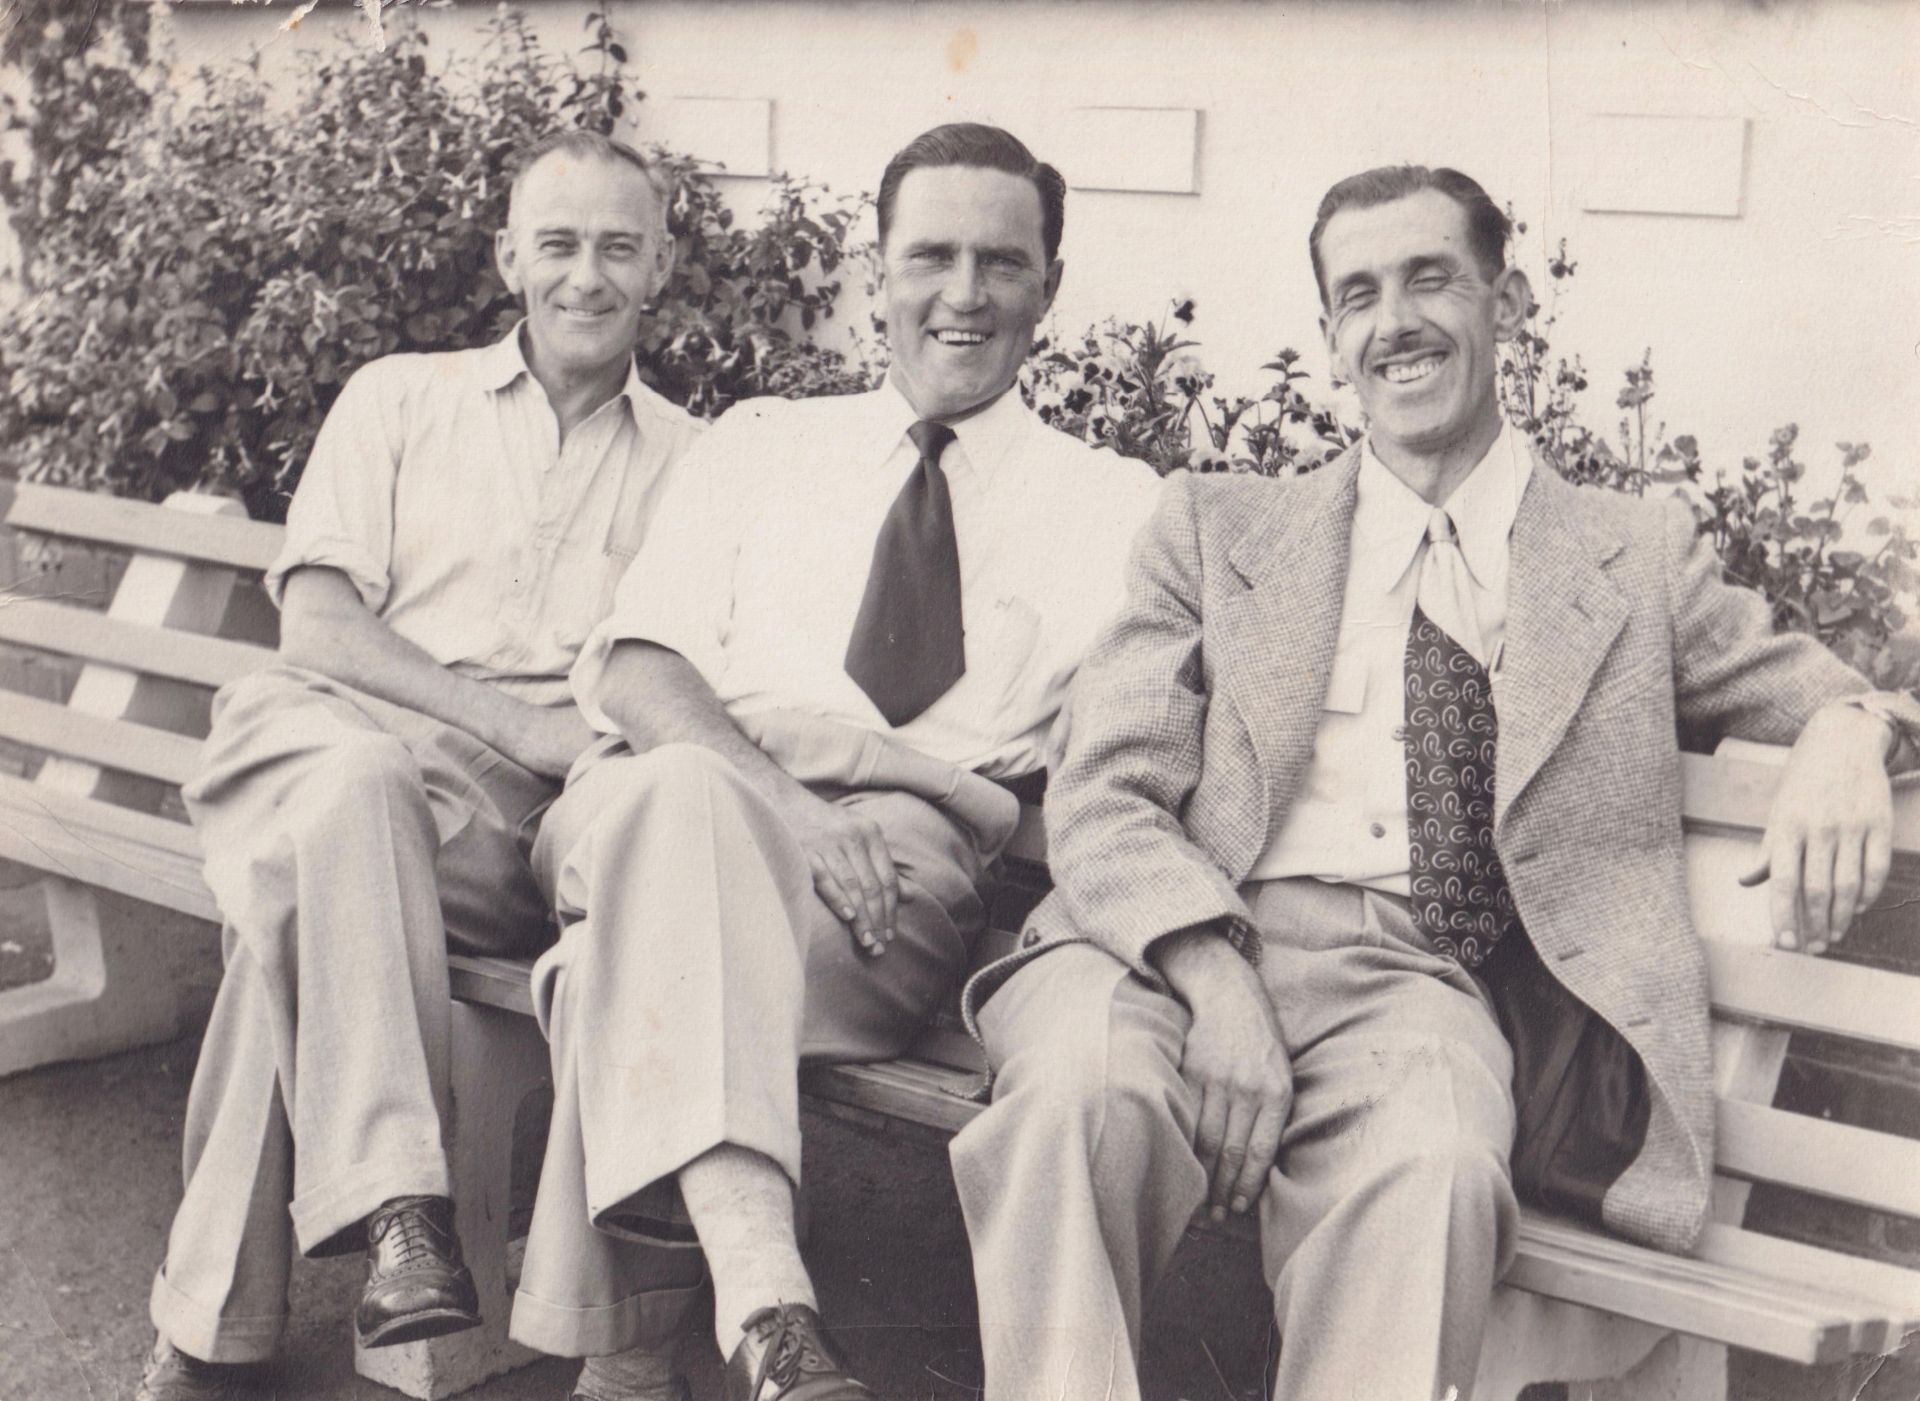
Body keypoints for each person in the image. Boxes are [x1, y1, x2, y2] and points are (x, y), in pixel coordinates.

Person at [949, 163, 1920, 1401]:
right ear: (1330, 339)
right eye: (1358, 295)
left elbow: (1829, 688)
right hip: (1150, 950)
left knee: (1440, 1166)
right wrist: (1213, 974)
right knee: (1075, 1104)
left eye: (1429, 280)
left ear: (1508, 301)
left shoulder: (1629, 559)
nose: (1394, 321)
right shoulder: (1218, 527)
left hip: (1411, 984)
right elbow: (1105, 791)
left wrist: (1849, 728)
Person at [505, 123, 1162, 1401]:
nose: (961, 294)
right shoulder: (760, 445)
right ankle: (758, 1310)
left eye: (1000, 262)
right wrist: (796, 812)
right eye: (929, 256)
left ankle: (659, 1351)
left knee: (611, 967)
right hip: (685, 794)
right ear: (876, 273)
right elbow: (638, 670)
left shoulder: (1117, 506)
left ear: (1051, 285)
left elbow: (1107, 761)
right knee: (680, 807)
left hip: (894, 875)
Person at [137, 131, 704, 1401]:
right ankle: (398, 1211)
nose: (586, 276)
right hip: (324, 730)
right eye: (557, 243)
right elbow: (322, 628)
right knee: (354, 793)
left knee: (305, 895)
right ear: (508, 255)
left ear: (661, 266)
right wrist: (514, 723)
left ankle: (233, 1312)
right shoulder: (398, 396)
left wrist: (543, 752)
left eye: (620, 246)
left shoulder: (698, 464)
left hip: (492, 830)